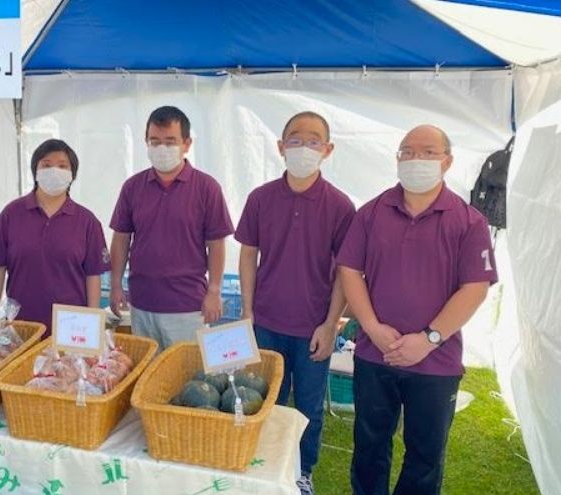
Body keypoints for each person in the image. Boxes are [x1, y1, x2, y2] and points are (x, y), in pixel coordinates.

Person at [337, 125, 498, 495]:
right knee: (369, 446)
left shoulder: (469, 221)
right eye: (407, 152)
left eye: (427, 152)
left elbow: (475, 287)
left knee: (425, 456)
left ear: (447, 161)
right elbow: (349, 270)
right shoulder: (372, 212)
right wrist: (371, 327)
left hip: (436, 362)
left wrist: (429, 339)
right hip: (375, 355)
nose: (415, 159)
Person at [234, 111, 355, 495]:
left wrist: (331, 323)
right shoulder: (261, 198)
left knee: (308, 408)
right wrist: (248, 311)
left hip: (313, 328)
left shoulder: (340, 206)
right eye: (296, 139)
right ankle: (263, 467)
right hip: (267, 321)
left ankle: (303, 470)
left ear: (328, 149)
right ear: (281, 147)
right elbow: (248, 254)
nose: (305, 147)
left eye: (314, 140)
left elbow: (345, 272)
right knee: (263, 400)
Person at [109, 106, 234, 349]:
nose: (162, 148)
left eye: (170, 141)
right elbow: (121, 239)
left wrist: (214, 291)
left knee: (186, 370)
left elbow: (217, 244)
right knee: (148, 369)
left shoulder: (207, 188)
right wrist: (115, 286)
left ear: (186, 144)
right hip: (142, 303)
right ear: (146, 142)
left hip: (187, 305)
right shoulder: (132, 187)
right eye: (155, 141)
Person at [0, 139, 109, 336]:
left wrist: (92, 320)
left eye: (62, 166)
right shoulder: (12, 213)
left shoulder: (87, 221)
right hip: (21, 325)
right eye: (46, 165)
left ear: (72, 174)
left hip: (71, 327)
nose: (54, 171)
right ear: (35, 171)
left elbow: (93, 275)